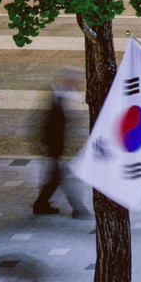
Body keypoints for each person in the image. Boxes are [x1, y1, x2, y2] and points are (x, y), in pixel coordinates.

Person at [32, 76, 84, 215]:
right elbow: (51, 126)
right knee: (60, 178)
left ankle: (41, 204)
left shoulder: (59, 97)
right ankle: (78, 209)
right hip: (53, 147)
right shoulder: (58, 100)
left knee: (56, 178)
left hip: (53, 147)